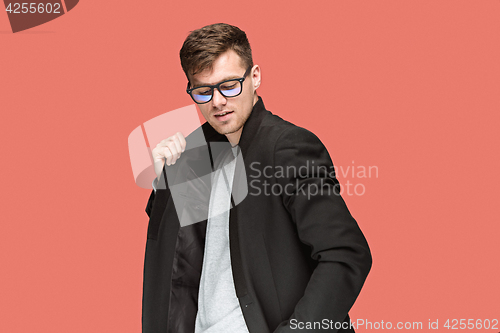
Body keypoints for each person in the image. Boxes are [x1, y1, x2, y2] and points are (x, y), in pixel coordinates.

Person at [142, 23, 372, 333]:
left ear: (255, 77)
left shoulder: (286, 147)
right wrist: (165, 179)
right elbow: (175, 255)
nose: (218, 101)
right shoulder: (196, 154)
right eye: (203, 90)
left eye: (229, 85)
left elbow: (346, 254)